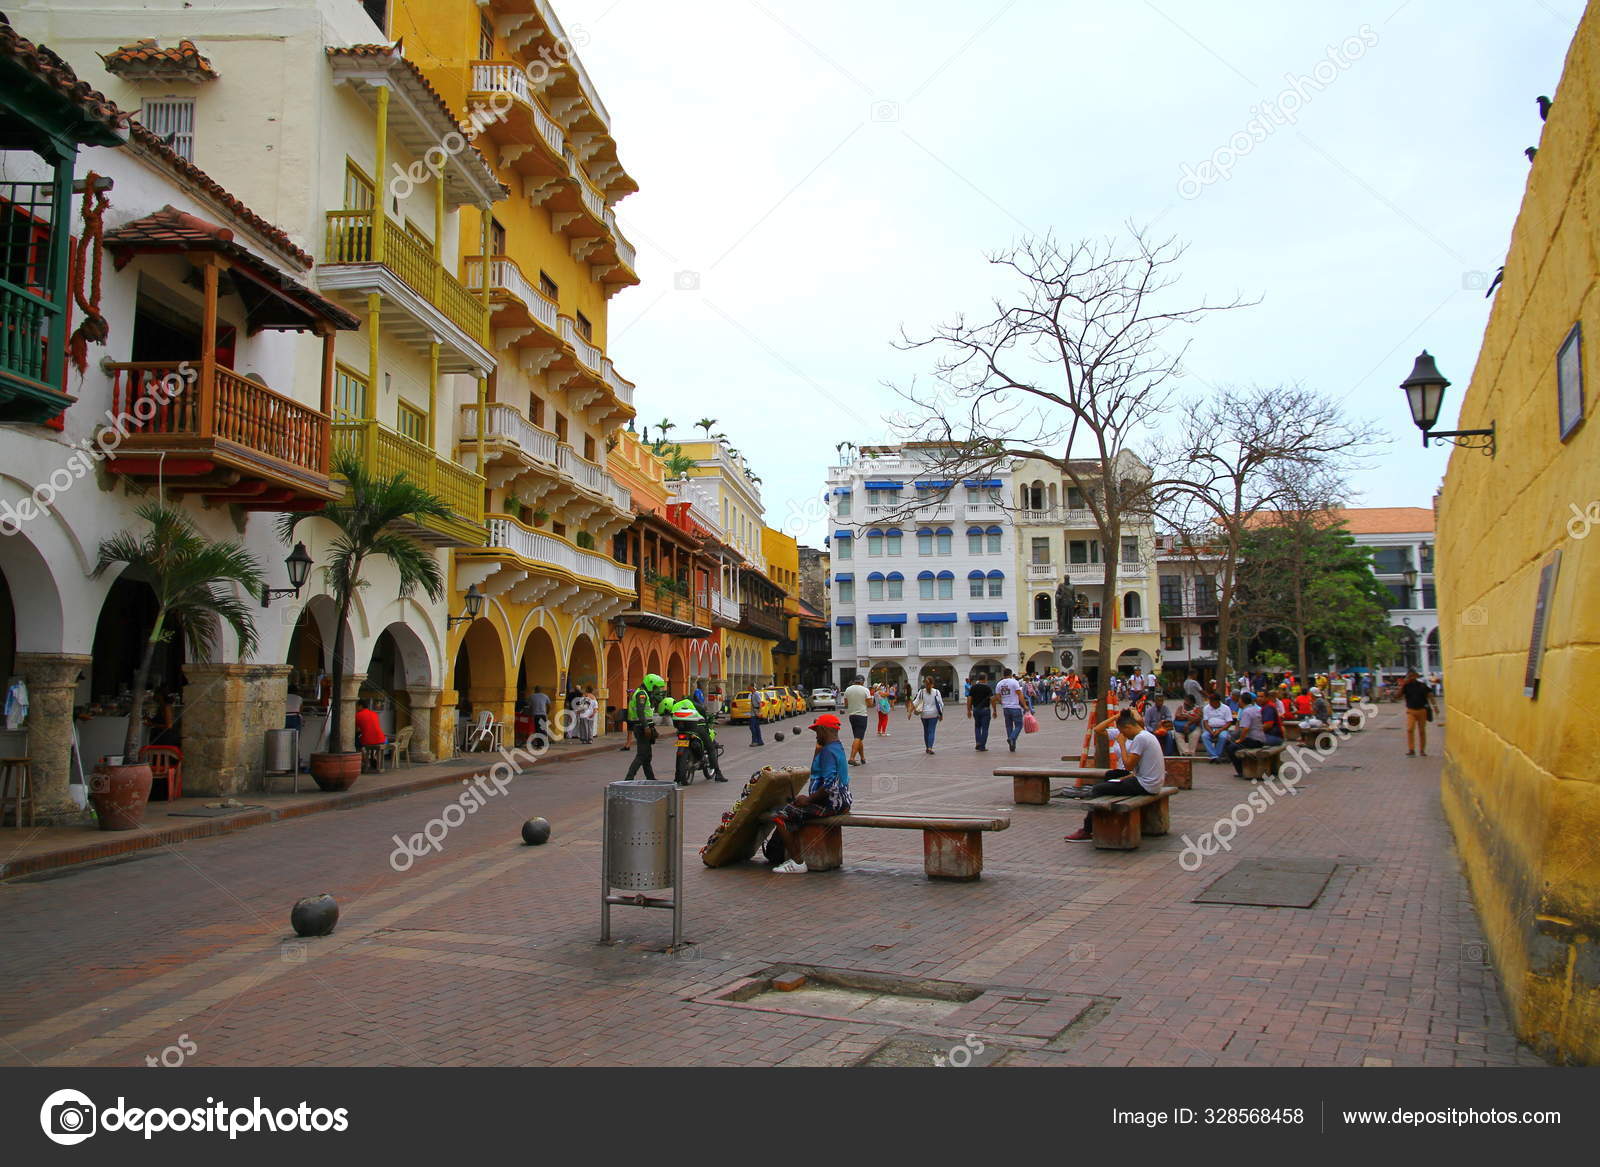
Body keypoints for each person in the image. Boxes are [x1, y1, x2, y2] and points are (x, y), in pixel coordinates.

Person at [766, 714, 852, 873]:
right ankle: (782, 853)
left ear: (823, 730)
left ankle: (797, 862)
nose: (816, 736)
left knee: (779, 816)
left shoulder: (828, 752)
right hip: (842, 801)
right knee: (793, 809)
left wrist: (809, 799)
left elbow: (829, 787)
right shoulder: (836, 747)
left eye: (817, 732)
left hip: (831, 804)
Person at [1064, 709, 1166, 842]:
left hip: (1146, 785)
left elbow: (1128, 765)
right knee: (1112, 778)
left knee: (1098, 789)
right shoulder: (1147, 735)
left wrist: (1122, 744)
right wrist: (1127, 778)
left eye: (1123, 732)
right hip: (1150, 782)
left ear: (1128, 727)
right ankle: (1095, 824)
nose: (1123, 736)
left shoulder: (1140, 738)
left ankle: (1087, 830)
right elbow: (1137, 769)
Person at [668, 695, 725, 782]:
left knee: (678, 754)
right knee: (711, 748)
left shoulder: (677, 706)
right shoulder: (697, 706)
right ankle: (718, 773)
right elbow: (704, 719)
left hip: (682, 731)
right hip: (697, 729)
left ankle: (677, 777)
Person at [624, 673, 670, 780]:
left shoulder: (642, 693)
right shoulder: (642, 694)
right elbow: (640, 711)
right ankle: (628, 779)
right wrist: (646, 727)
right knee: (641, 755)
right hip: (641, 727)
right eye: (655, 687)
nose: (656, 690)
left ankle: (650, 778)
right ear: (650, 684)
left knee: (647, 756)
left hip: (643, 726)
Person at [1224, 693, 1267, 776]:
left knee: (1231, 748)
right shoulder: (1256, 709)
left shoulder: (1246, 711)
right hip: (1261, 739)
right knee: (1233, 742)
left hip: (1253, 740)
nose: (1238, 702)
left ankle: (1240, 770)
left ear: (1242, 701)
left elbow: (1245, 729)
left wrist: (1240, 740)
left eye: (1239, 700)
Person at [1400, 668, 1438, 756]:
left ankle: (1422, 750)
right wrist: (1403, 685)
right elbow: (1398, 696)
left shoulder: (1422, 685)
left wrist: (1435, 707)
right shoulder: (1406, 686)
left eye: (1413, 676)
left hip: (1422, 710)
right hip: (1411, 710)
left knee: (1422, 731)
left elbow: (1430, 695)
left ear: (1416, 676)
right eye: (1410, 676)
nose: (1411, 677)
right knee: (1410, 729)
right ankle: (1411, 749)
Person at [994, 667, 1030, 753]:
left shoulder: (999, 683)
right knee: (1019, 725)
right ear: (1010, 674)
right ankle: (1012, 738)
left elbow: (997, 695)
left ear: (1003, 674)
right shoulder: (1014, 682)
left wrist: (1002, 702)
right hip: (1015, 707)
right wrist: (1025, 705)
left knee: (1009, 726)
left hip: (1005, 708)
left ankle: (1012, 745)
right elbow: (1019, 694)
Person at [909, 675, 945, 754]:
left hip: (924, 714)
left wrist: (910, 712)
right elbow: (941, 704)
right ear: (933, 684)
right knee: (931, 731)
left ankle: (927, 747)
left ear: (925, 683)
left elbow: (915, 703)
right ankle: (930, 747)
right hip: (934, 714)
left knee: (926, 731)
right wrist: (941, 714)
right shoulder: (936, 692)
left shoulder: (921, 692)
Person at [842, 675, 871, 765]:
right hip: (861, 715)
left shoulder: (848, 689)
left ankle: (862, 758)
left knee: (858, 738)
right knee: (858, 737)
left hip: (852, 716)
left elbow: (846, 704)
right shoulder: (865, 690)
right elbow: (870, 704)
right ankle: (852, 758)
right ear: (862, 682)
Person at [355, 698, 386, 771]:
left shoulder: (358, 715)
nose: (356, 708)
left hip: (369, 740)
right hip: (382, 739)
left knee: (357, 744)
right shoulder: (374, 713)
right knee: (365, 740)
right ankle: (377, 763)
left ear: (360, 706)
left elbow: (356, 729)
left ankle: (366, 761)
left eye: (357, 706)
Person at [967, 673, 994, 751]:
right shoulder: (988, 688)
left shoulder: (973, 687)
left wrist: (968, 710)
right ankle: (982, 746)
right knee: (985, 728)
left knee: (977, 727)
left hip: (976, 709)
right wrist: (994, 710)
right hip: (985, 709)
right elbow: (992, 699)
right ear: (985, 678)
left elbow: (969, 699)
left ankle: (978, 742)